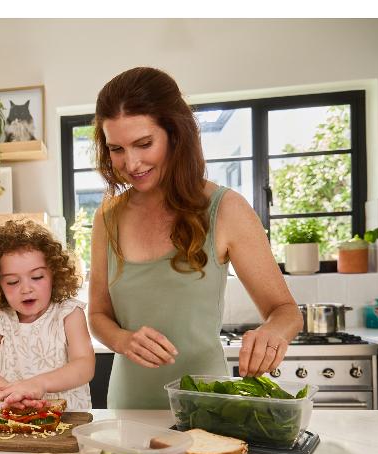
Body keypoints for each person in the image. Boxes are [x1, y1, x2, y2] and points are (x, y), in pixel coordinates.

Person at [88, 67, 304, 409]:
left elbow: (286, 311)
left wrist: (273, 333)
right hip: (127, 409)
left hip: (207, 407)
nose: (131, 163)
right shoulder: (108, 217)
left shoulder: (226, 209)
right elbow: (98, 315)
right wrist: (123, 340)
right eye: (116, 149)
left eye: (144, 144)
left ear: (176, 134)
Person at [0, 219, 95, 410]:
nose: (26, 289)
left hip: (68, 418)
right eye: (12, 282)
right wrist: (12, 395)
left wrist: (39, 384)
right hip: (16, 416)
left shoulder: (68, 313)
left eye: (37, 277)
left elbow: (84, 365)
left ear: (55, 274)